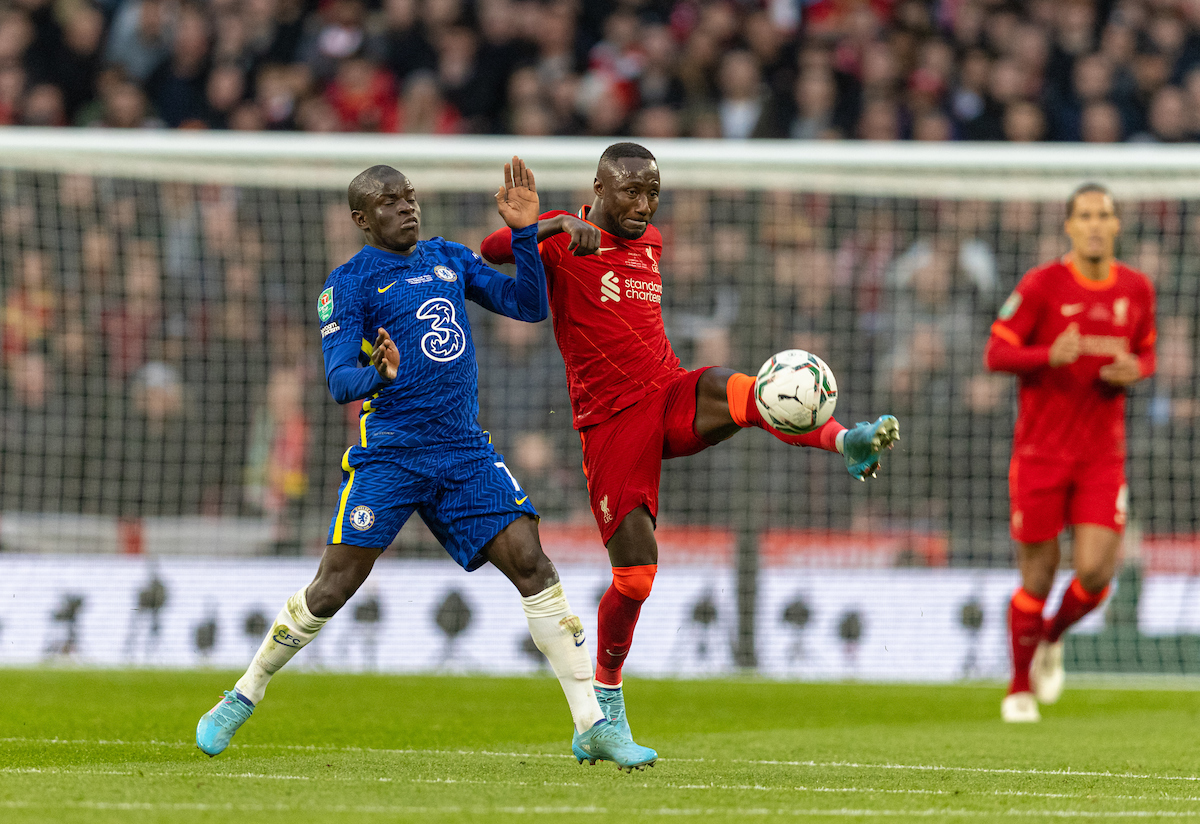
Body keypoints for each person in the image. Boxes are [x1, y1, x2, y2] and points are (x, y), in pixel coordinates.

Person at [196, 158, 658, 771]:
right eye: (390, 201)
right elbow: (337, 380)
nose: (407, 206)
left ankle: (591, 725)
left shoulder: (448, 256)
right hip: (392, 453)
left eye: (410, 196)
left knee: (534, 565)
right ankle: (243, 692)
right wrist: (376, 374)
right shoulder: (349, 284)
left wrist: (526, 233)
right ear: (362, 219)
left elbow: (527, 305)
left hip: (464, 451)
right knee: (334, 587)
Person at [480, 142, 899, 753]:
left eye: (652, 192)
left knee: (748, 393)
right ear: (599, 187)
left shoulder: (648, 243)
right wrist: (545, 224)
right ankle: (606, 706)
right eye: (630, 191)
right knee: (636, 578)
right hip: (612, 424)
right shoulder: (565, 242)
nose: (644, 204)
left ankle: (845, 439)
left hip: (670, 392)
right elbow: (493, 251)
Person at [985, 183, 1156, 723]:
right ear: (1069, 226)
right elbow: (996, 352)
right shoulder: (1042, 285)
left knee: (1097, 573)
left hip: (1102, 456)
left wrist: (1138, 370)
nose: (1095, 224)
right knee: (1037, 576)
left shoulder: (1137, 288)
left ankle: (1051, 638)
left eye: (1104, 214)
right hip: (1039, 453)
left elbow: (1147, 352)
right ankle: (1018, 689)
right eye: (1085, 215)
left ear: (1117, 225)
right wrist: (1046, 355)